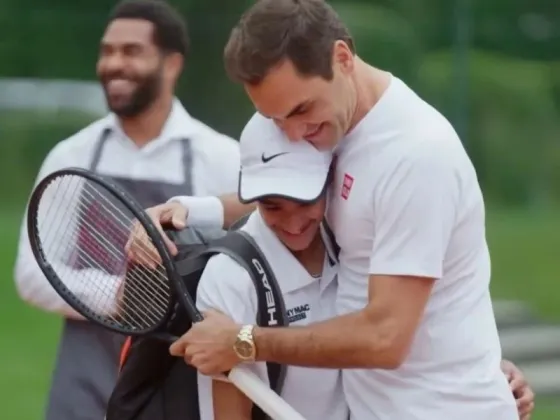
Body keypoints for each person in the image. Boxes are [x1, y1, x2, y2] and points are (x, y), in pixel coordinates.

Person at [130, 1, 535, 419]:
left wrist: (243, 341)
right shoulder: (333, 123)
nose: (292, 133)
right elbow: (289, 191)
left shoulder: (415, 157)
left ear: (342, 58)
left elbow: (385, 337)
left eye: (301, 110)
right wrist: (185, 211)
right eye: (275, 118)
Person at [13, 1, 243, 419]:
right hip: (81, 382)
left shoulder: (222, 159)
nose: (113, 63)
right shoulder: (72, 155)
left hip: (173, 382)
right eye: (107, 51)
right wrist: (119, 297)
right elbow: (31, 274)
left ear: (171, 64)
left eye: (131, 51)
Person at [195, 122, 347, 420]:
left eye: (305, 202)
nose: (293, 224)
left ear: (330, 180)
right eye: (272, 206)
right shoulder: (228, 279)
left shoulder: (353, 241)